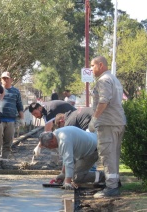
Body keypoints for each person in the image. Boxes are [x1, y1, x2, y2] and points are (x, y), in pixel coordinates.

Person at [89, 56, 126, 198]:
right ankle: (114, 182)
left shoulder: (103, 80)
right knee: (114, 154)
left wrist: (94, 119)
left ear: (100, 65)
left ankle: (111, 187)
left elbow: (104, 101)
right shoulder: (114, 79)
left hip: (108, 123)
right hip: (117, 122)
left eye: (93, 66)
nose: (91, 69)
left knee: (107, 154)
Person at [39, 127, 105, 190]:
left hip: (92, 151)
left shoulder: (64, 140)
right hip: (87, 147)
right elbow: (66, 157)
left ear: (52, 141)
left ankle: (104, 176)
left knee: (77, 177)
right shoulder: (56, 135)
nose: (50, 149)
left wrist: (67, 182)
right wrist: (63, 174)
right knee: (72, 174)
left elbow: (69, 162)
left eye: (49, 147)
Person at [0, 71, 24, 159]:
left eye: (7, 78)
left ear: (11, 80)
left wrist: (21, 118)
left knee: (8, 142)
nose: (5, 80)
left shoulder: (15, 91)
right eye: (3, 78)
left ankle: (4, 159)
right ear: (1, 80)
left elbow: (19, 105)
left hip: (11, 121)